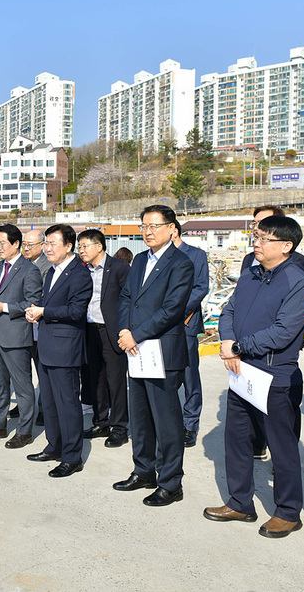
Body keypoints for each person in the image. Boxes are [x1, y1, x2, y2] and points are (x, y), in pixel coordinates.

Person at [205, 215, 304, 539]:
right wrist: (229, 342)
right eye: (256, 237)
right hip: (241, 371)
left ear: (286, 246)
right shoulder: (250, 274)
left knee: (282, 447)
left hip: (275, 376)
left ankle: (288, 512)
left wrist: (239, 347)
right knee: (237, 439)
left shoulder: (298, 283)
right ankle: (240, 502)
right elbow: (229, 310)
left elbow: (283, 332)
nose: (257, 243)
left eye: (265, 239)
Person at [114, 205, 194, 507]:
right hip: (135, 350)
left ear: (171, 228)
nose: (148, 232)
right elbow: (126, 297)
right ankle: (143, 470)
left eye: (154, 226)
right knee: (140, 417)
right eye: (144, 226)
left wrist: (136, 334)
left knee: (166, 421)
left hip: (162, 352)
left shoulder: (181, 264)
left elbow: (172, 309)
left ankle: (170, 483)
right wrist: (124, 330)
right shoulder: (139, 260)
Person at [240, 205, 304, 461]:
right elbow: (238, 303)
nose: (257, 229)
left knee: (283, 410)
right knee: (252, 405)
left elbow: (290, 316)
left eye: (264, 225)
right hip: (249, 348)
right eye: (255, 225)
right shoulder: (250, 260)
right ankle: (259, 443)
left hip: (274, 352)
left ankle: (284, 455)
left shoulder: (294, 266)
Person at [25, 224, 92, 477]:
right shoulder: (53, 271)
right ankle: (54, 446)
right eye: (46, 243)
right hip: (47, 344)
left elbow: (76, 311)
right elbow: (49, 303)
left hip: (65, 348)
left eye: (53, 243)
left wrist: (44, 312)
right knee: (50, 402)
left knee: (67, 404)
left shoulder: (79, 274)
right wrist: (36, 312)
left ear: (69, 246)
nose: (48, 248)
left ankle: (72, 457)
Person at [0, 224, 42, 448]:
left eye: (2, 243)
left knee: (22, 386)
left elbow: (32, 302)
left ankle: (25, 431)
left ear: (16, 244)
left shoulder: (29, 270)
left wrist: (4, 307)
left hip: (15, 334)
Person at [77, 229, 131, 448]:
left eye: (85, 246)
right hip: (89, 330)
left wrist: (126, 330)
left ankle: (119, 428)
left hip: (112, 331)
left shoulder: (119, 268)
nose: (81, 251)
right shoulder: (82, 270)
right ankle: (101, 422)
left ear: (99, 246)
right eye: (79, 247)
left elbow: (129, 300)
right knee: (95, 379)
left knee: (115, 381)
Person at [172, 222, 209, 448]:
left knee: (189, 377)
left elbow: (201, 287)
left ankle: (190, 425)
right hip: (161, 326)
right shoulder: (154, 256)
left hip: (185, 323)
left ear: (173, 230)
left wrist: (175, 311)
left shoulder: (196, 255)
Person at [15, 227, 50, 427]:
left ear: (42, 245)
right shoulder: (21, 264)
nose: (26, 248)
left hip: (38, 325)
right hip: (20, 326)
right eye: (24, 244)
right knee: (21, 371)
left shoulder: (47, 266)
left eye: (30, 245)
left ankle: (44, 408)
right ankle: (23, 405)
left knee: (42, 371)